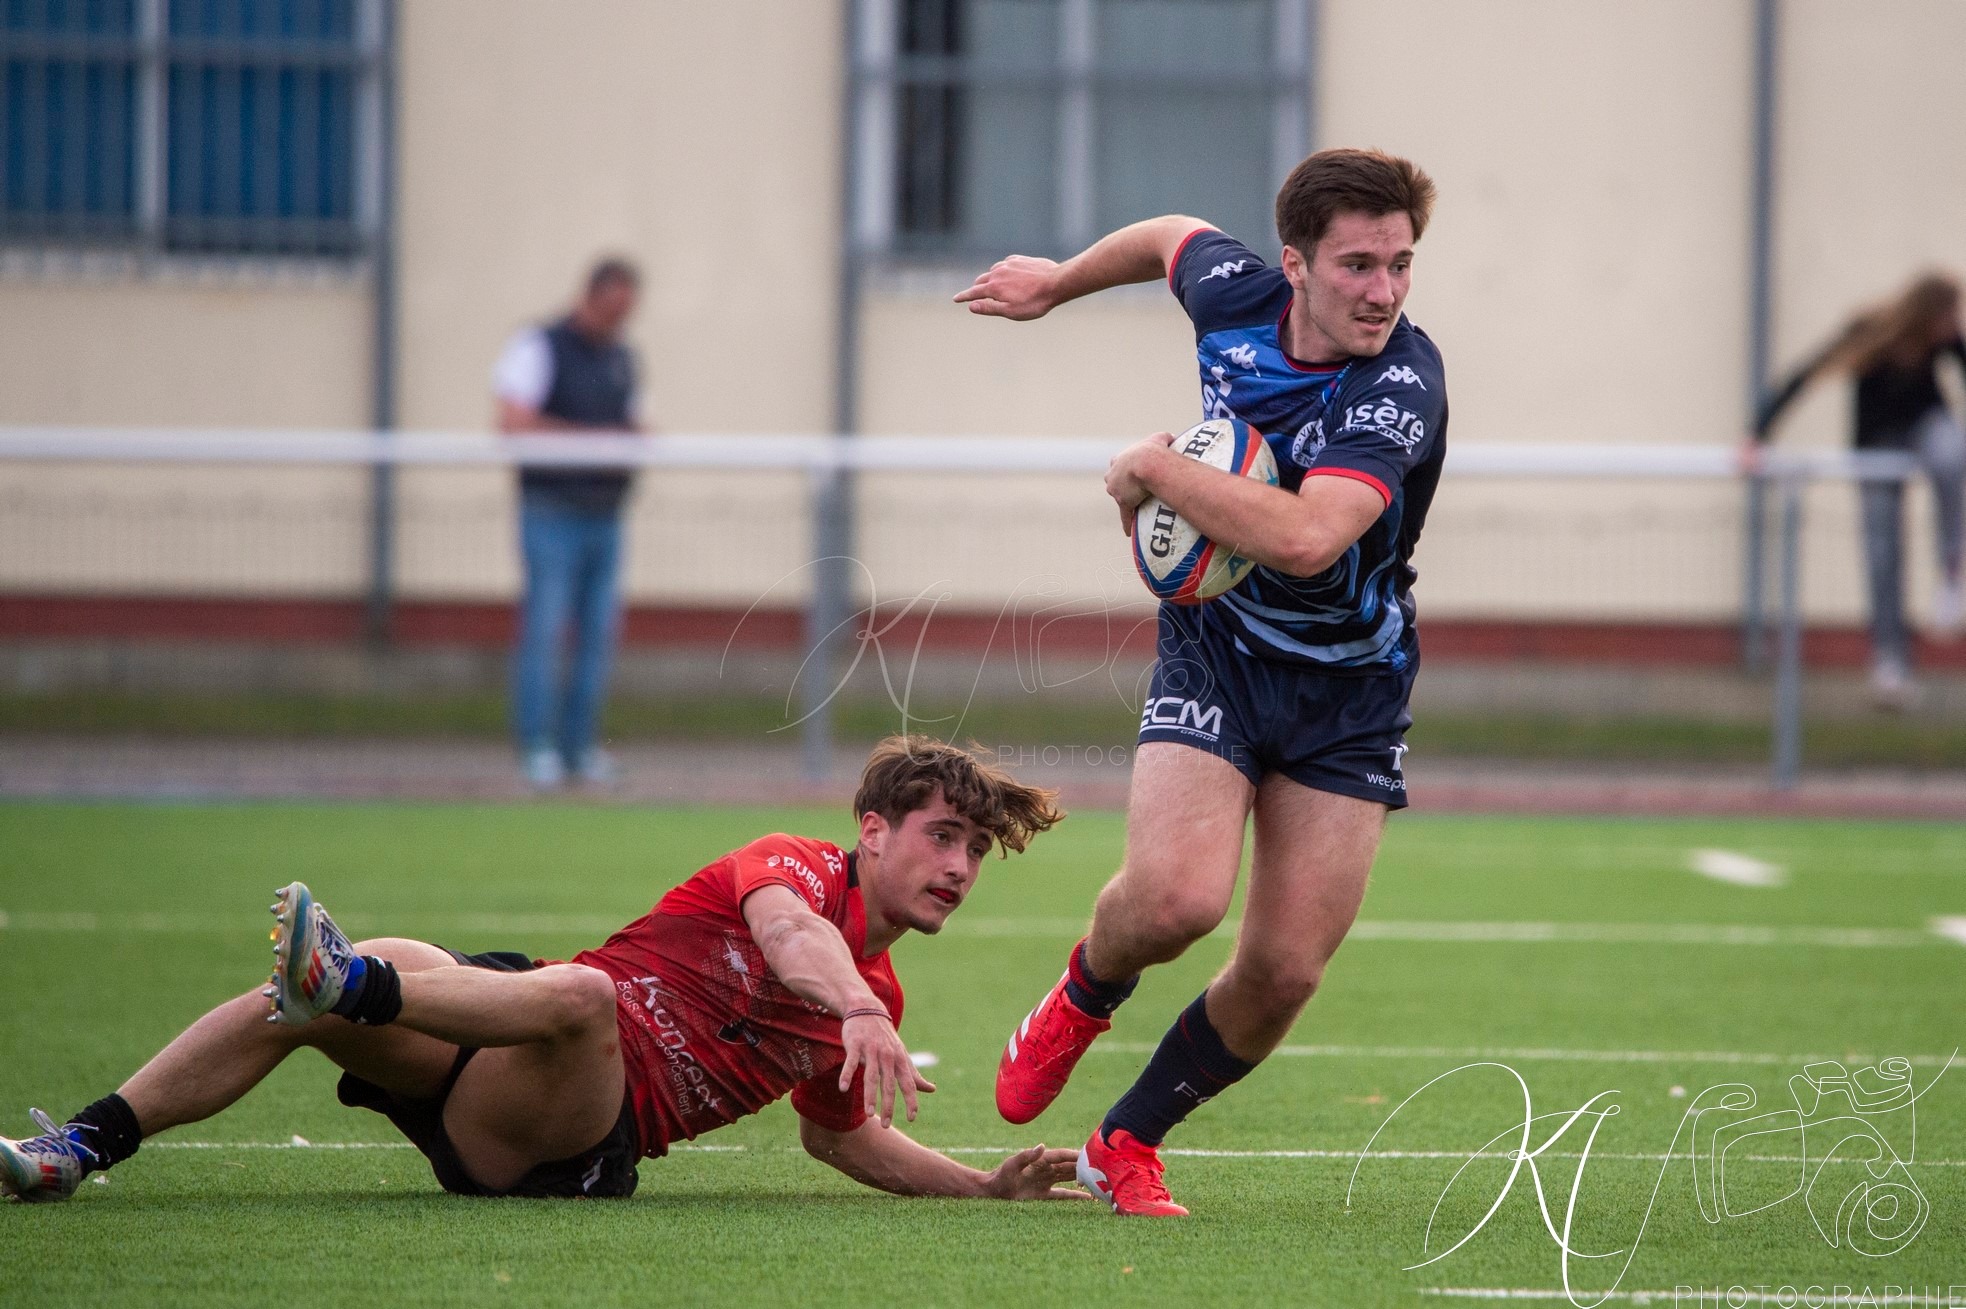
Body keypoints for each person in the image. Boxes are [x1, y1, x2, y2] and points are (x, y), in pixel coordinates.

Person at [954, 148, 1445, 1217]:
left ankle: (1123, 1139)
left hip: (1349, 692)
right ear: (1295, 265)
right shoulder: (1234, 296)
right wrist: (1057, 282)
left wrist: (1151, 470)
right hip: (1216, 649)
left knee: (1282, 974)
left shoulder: (1398, 383)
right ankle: (1081, 994)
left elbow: (1314, 535)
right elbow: (1168, 231)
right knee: (1176, 899)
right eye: (1358, 264)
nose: (1384, 292)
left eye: (1401, 264)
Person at [0, 736, 1084, 1206]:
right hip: (516, 1034)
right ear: (872, 832)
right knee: (382, 969)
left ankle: (350, 990)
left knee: (579, 993)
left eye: (974, 851)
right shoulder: (800, 873)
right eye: (942, 835)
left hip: (569, 1139)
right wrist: (850, 996)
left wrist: (984, 1183)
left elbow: (842, 1138)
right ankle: (76, 1147)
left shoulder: (874, 1002)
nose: (957, 865)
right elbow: (794, 936)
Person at [1751, 273, 1966, 706]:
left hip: (1926, 430)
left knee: (1952, 454)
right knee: (1883, 552)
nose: (1955, 323)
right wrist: (1758, 432)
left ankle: (1952, 571)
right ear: (1928, 313)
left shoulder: (1943, 340)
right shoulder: (1869, 329)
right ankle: (1890, 660)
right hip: (1876, 443)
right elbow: (1805, 374)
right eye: (1950, 315)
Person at [494, 257, 646, 789]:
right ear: (591, 296)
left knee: (598, 635)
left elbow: (633, 426)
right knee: (545, 628)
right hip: (551, 511)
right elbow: (512, 421)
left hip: (606, 514)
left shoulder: (622, 359)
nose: (617, 321)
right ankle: (537, 747)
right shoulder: (539, 345)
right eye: (611, 308)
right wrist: (590, 441)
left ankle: (579, 749)